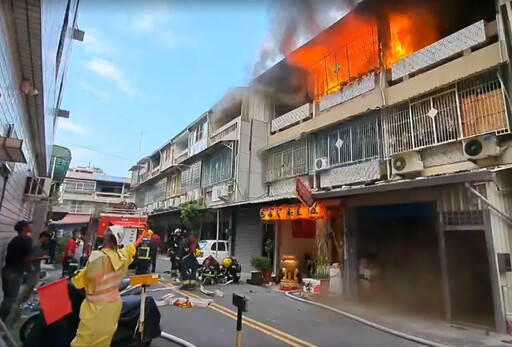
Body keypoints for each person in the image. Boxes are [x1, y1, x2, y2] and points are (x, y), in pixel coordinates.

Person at [70, 225, 145, 347]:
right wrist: (141, 238)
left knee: (84, 340)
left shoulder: (97, 257)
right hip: (113, 307)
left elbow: (78, 282)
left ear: (106, 238)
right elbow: (130, 250)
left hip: (95, 308)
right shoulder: (123, 256)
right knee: (104, 340)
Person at [0, 220, 33, 322]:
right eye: (28, 225)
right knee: (10, 298)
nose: (31, 226)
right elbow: (26, 257)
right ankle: (2, 322)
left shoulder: (15, 239)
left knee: (7, 297)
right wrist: (30, 268)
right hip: (15, 272)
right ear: (24, 228)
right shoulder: (26, 239)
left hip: (7, 270)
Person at [19, 231, 51, 305]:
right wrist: (42, 258)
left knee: (31, 285)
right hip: (32, 268)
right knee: (30, 286)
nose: (46, 241)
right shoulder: (35, 247)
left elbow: (44, 254)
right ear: (43, 238)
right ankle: (21, 301)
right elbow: (31, 258)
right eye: (46, 239)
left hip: (36, 268)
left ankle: (24, 300)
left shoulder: (41, 247)